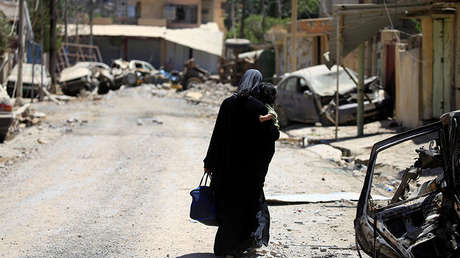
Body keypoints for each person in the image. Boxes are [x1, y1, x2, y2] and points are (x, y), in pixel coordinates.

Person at [203, 69, 279, 257]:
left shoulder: (227, 104)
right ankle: (240, 246)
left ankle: (223, 248)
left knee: (227, 207)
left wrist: (209, 161)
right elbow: (268, 140)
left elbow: (217, 135)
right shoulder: (259, 108)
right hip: (248, 170)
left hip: (224, 168)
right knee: (245, 207)